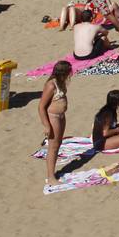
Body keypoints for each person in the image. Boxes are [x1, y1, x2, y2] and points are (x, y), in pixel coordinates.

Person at [39, 60, 72, 188]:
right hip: (53, 118)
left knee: (57, 145)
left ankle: (52, 174)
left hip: (61, 117)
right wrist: (46, 125)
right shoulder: (51, 85)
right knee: (53, 147)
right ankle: (50, 177)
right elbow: (41, 107)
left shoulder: (61, 82)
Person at [92, 88, 119, 153]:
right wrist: (118, 129)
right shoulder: (107, 114)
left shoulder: (110, 109)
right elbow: (105, 133)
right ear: (117, 101)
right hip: (100, 143)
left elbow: (109, 126)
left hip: (106, 137)